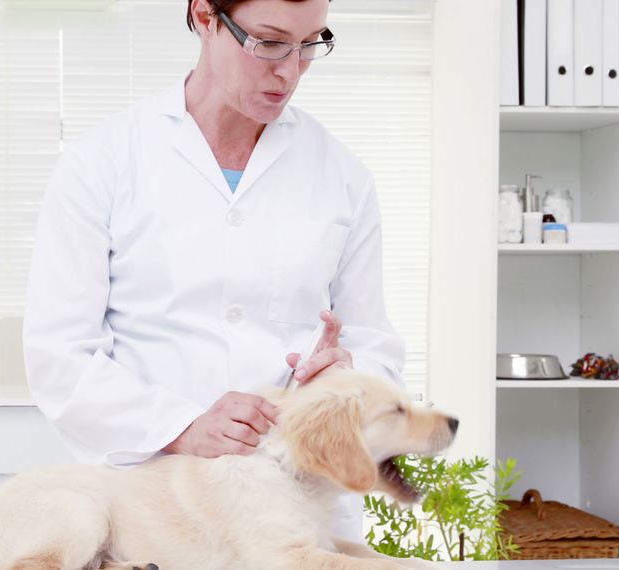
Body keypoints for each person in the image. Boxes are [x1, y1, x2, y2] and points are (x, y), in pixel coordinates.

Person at [22, 0, 405, 538]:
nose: (290, 71)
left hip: (299, 508)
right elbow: (60, 357)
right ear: (204, 16)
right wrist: (183, 426)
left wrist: (345, 378)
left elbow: (376, 348)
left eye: (310, 44)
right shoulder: (102, 163)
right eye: (269, 42)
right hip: (158, 508)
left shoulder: (342, 176)